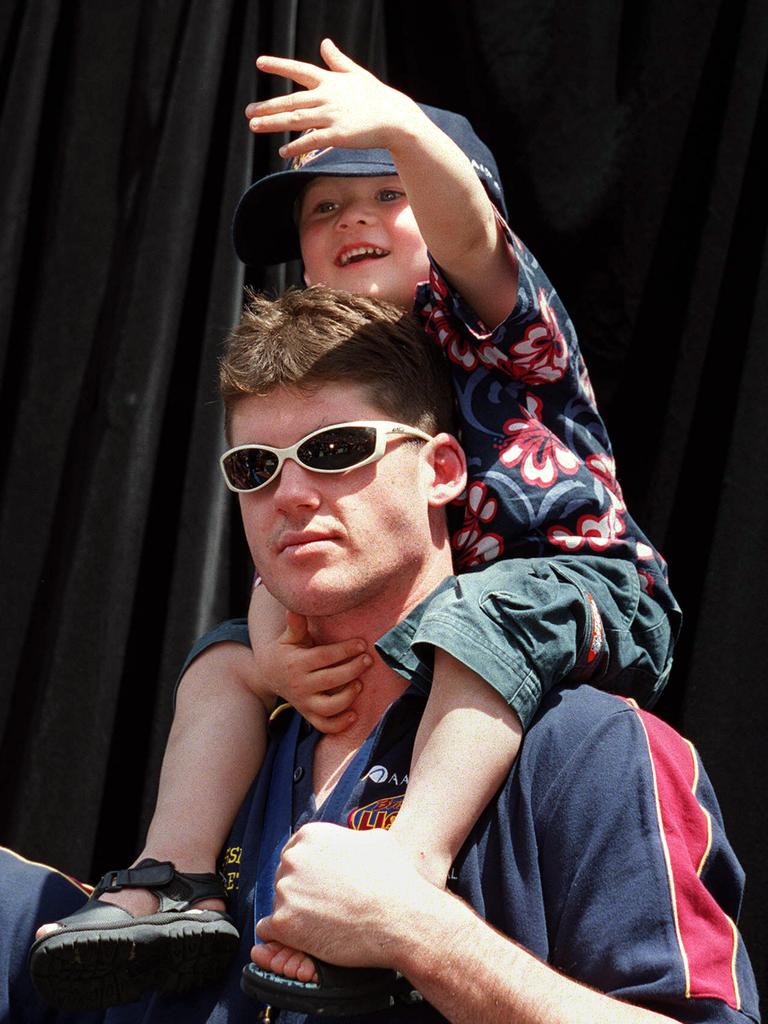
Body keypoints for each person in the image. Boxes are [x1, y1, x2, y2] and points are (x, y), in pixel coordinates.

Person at [32, 39, 681, 1006]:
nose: (353, 219)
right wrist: (273, 658)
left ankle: (408, 862)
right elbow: (273, 585)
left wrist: (404, 128)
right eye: (325, 210)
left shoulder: (500, 324)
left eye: (387, 194)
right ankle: (168, 881)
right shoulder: (340, 375)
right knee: (218, 659)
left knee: (481, 613)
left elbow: (471, 233)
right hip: (457, 622)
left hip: (588, 592)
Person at [18, 288, 758, 1023]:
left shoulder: (586, 750)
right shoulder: (230, 752)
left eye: (334, 450)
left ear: (441, 469)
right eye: (254, 467)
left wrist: (423, 936)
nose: (291, 495)